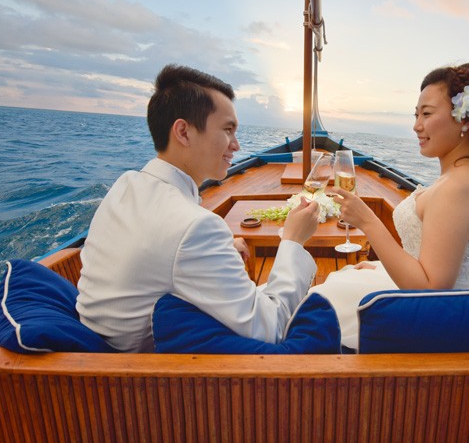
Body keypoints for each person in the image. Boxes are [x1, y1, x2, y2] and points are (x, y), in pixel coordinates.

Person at [76, 64, 320, 352]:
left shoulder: (127, 184)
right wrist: (293, 241)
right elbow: (270, 329)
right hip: (142, 379)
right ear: (183, 132)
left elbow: (160, 247)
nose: (237, 145)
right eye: (228, 130)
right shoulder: (195, 227)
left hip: (96, 357)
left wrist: (220, 245)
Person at [311, 62, 469, 349]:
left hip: (428, 322)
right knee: (336, 285)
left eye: (426, 114)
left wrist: (369, 222)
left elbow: (431, 292)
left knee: (315, 307)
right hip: (430, 298)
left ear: (464, 120)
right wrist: (383, 268)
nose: (416, 125)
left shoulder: (457, 189)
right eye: (416, 115)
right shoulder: (464, 174)